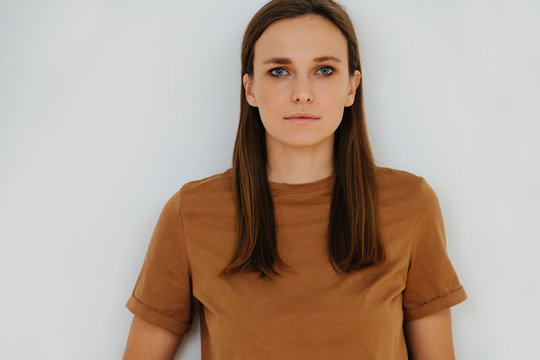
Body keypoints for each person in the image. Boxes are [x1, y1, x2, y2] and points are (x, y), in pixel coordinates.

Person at [122, 0, 468, 358]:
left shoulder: (410, 205)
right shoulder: (190, 214)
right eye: (279, 71)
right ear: (250, 88)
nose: (302, 93)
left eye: (324, 70)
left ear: (352, 87)